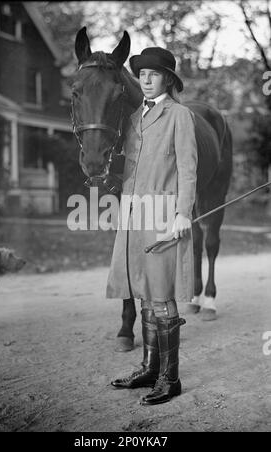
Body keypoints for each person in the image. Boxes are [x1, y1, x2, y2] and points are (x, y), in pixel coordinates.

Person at [106, 47, 198, 405]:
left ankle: (169, 378)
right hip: (134, 215)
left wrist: (183, 213)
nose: (145, 79)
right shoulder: (132, 118)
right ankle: (148, 368)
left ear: (168, 79)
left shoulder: (180, 115)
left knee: (162, 296)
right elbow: (131, 168)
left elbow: (188, 169)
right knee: (143, 291)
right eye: (141, 74)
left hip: (163, 215)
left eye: (154, 74)